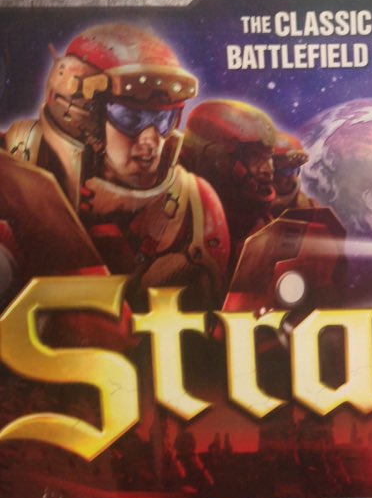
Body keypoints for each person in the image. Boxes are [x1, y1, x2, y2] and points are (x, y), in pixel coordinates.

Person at [4, 22, 229, 304]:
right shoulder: (12, 173)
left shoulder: (194, 206)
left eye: (163, 119)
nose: (151, 139)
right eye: (131, 118)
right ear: (83, 116)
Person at [181, 99, 277, 263]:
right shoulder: (174, 217)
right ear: (217, 160)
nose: (268, 170)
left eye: (269, 158)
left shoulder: (262, 227)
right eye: (255, 158)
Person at [271, 132, 317, 213]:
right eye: (285, 170)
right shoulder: (253, 204)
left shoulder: (308, 208)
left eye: (295, 169)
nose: (292, 177)